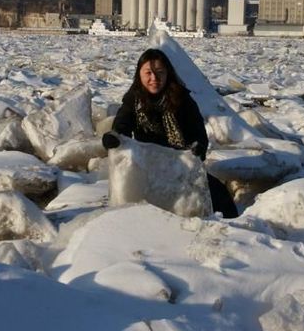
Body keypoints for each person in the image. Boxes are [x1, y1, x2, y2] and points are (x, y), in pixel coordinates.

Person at [102, 48, 238, 218]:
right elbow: (122, 124)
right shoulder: (133, 100)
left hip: (181, 167)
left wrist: (197, 148)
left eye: (160, 72)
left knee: (217, 195)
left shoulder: (183, 100)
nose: (154, 78)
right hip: (147, 167)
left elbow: (198, 133)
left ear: (168, 74)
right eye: (148, 73)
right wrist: (114, 139)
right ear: (140, 74)